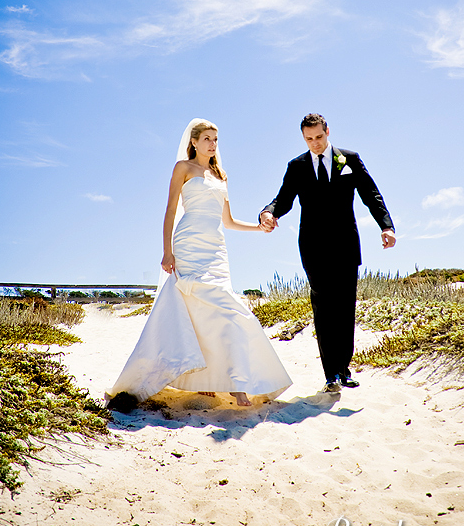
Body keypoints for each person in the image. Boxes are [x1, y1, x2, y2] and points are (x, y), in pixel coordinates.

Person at [107, 118, 291, 410]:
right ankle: (225, 383)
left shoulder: (221, 175)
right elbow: (169, 211)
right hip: (188, 244)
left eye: (215, 139)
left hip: (216, 249)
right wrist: (166, 251)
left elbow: (227, 221)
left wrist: (258, 229)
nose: (212, 144)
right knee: (197, 311)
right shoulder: (183, 168)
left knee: (226, 311)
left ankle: (227, 380)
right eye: (207, 138)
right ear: (193, 142)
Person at [260, 113, 395, 393]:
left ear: (327, 131)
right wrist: (269, 212)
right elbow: (283, 199)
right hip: (313, 246)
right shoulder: (296, 166)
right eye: (309, 139)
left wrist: (386, 227)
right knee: (323, 305)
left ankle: (344, 369)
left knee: (345, 308)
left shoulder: (350, 159)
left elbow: (372, 194)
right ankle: (330, 373)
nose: (315, 144)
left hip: (346, 244)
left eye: (319, 137)